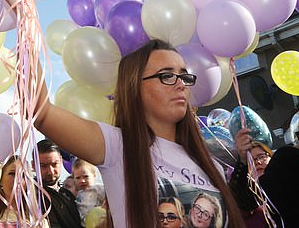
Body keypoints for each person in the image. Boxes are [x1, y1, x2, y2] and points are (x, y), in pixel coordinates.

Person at [19, 37, 245, 228]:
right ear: (134, 87)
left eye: (184, 76)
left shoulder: (211, 165)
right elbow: (42, 111)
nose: (181, 84)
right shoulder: (117, 147)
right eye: (167, 75)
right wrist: (23, 14)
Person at [228, 129, 273, 227]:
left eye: (261, 156)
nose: (258, 162)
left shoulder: (286, 184)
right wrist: (243, 159)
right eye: (251, 161)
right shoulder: (247, 197)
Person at [35, 139, 81, 228]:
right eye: (43, 166)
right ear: (34, 165)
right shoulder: (32, 194)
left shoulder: (68, 194)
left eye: (54, 164)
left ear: (60, 161)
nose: (50, 171)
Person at [71, 159, 105, 227]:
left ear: (94, 176)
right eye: (78, 178)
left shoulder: (97, 189)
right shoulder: (77, 194)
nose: (82, 181)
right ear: (74, 179)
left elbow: (110, 198)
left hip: (98, 223)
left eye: (86, 176)